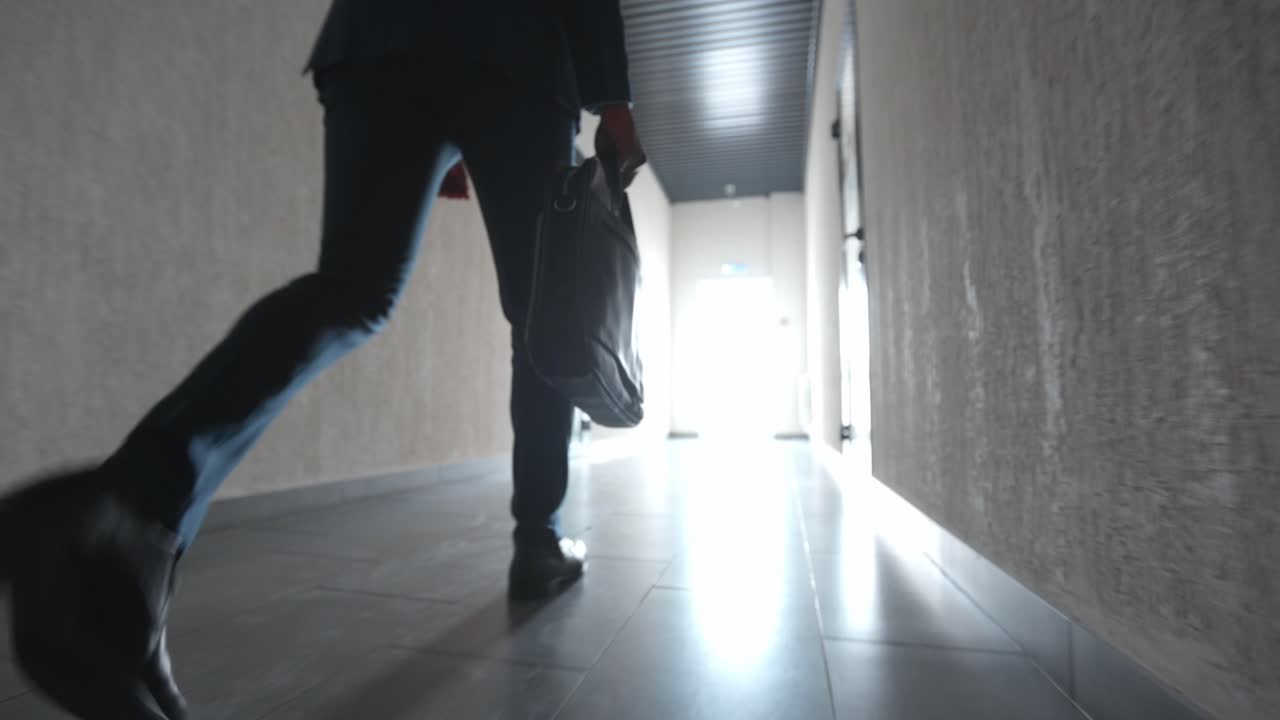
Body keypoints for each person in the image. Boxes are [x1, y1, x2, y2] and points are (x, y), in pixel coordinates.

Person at [0, 1, 646, 718]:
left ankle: (126, 511)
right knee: (541, 316)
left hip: (374, 39)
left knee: (352, 288)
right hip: (515, 44)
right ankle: (540, 539)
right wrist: (612, 96)